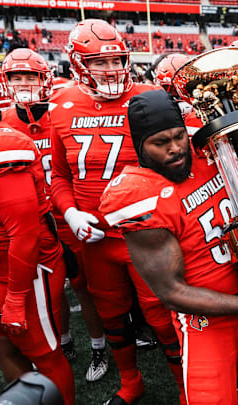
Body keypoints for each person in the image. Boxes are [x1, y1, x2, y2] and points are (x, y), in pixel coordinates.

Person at [99, 89, 238, 404]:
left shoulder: (212, 151)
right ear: (140, 146)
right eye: (161, 142)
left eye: (179, 136)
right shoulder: (140, 195)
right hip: (206, 323)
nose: (175, 148)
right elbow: (171, 292)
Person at [49, 19, 183, 405]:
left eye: (117, 60)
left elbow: (178, 161)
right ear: (77, 64)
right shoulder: (61, 104)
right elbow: (59, 174)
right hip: (96, 238)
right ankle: (130, 382)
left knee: (164, 317)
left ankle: (184, 383)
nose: (111, 70)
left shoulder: (151, 97)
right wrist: (70, 212)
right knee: (111, 314)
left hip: (147, 233)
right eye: (99, 62)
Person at [0, 52, 74, 405]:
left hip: (28, 273)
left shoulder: (0, 147)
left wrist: (15, 296)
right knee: (0, 345)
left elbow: (24, 233)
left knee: (45, 355)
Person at [0, 48, 109, 382]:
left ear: (44, 78)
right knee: (50, 289)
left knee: (83, 286)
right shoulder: (2, 121)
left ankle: (99, 345)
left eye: (29, 76)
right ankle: (63, 342)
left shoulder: (63, 113)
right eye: (15, 77)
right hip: (32, 221)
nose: (23, 83)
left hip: (69, 215)